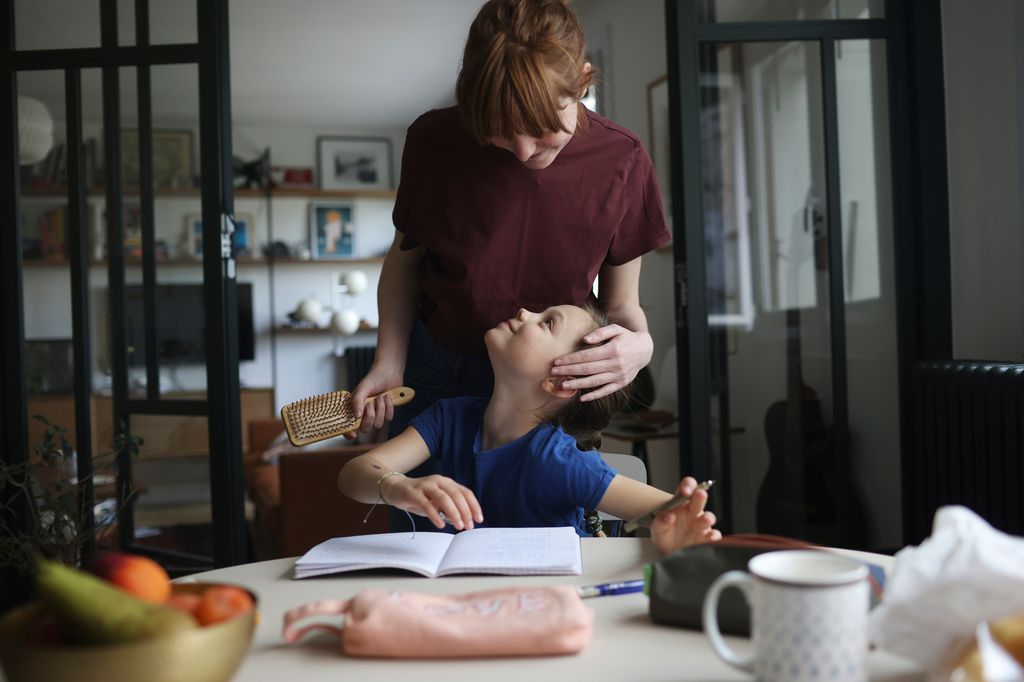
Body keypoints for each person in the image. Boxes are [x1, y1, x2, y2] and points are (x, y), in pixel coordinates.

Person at [339, 304, 720, 554]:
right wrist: (396, 485)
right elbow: (353, 474)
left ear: (559, 384)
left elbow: (665, 510)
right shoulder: (447, 418)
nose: (524, 310)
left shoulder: (556, 460)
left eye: (546, 322)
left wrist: (680, 524)